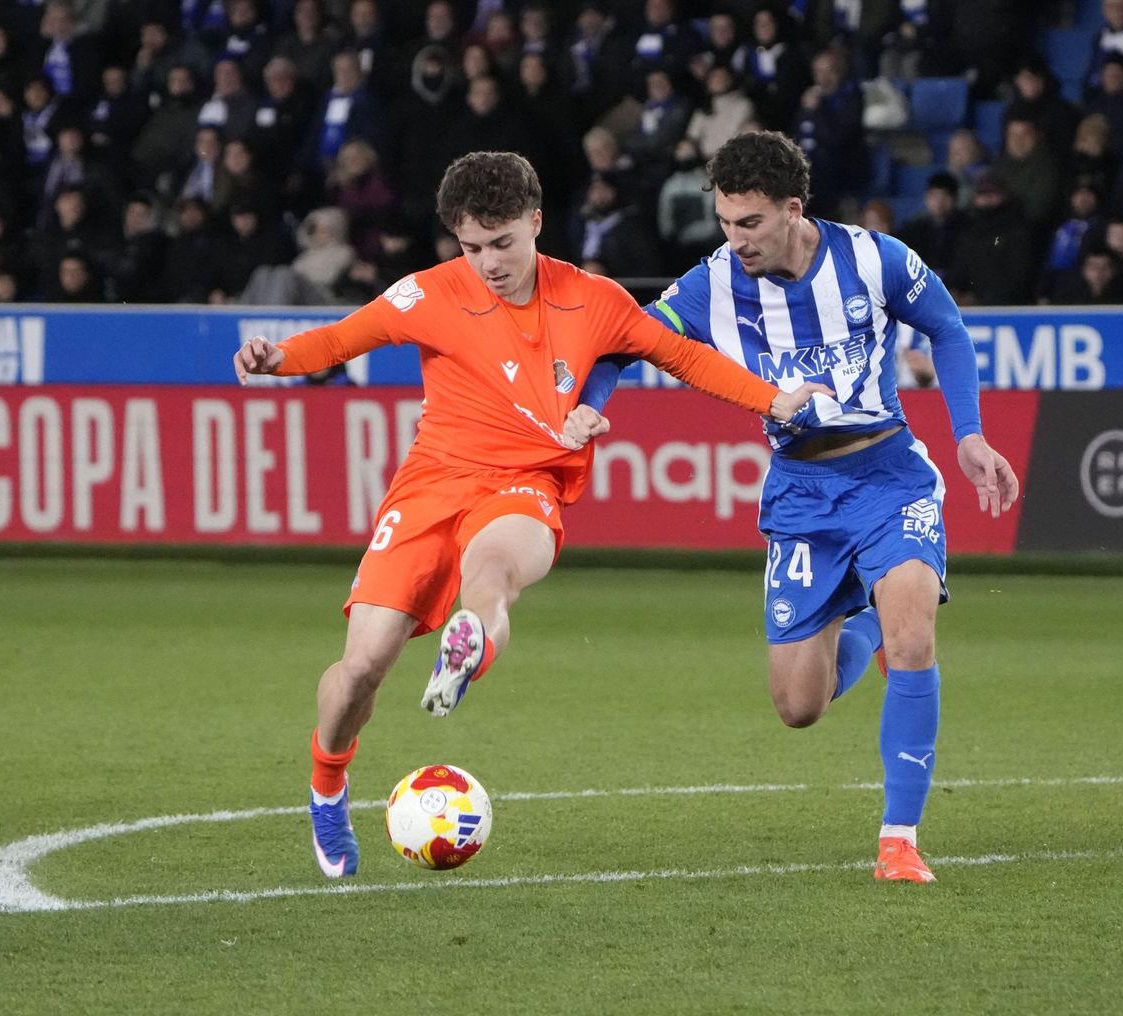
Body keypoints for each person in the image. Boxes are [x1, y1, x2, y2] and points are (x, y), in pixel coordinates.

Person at [231, 150, 828, 879]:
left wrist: (773, 399)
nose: (487, 262)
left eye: (503, 242)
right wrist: (275, 357)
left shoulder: (594, 300)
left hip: (524, 482)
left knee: (494, 571)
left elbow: (684, 356)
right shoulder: (429, 294)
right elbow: (339, 339)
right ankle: (328, 784)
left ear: (536, 223)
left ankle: (469, 644)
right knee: (361, 669)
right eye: (472, 246)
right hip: (429, 486)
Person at [563, 132, 1018, 885]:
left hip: (889, 475)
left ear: (791, 210)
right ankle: (864, 614)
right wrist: (589, 407)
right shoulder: (713, 283)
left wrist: (968, 435)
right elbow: (624, 343)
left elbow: (947, 326)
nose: (733, 239)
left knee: (912, 640)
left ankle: (898, 841)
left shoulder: (874, 259)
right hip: (801, 494)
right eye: (724, 223)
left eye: (749, 224)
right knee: (798, 705)